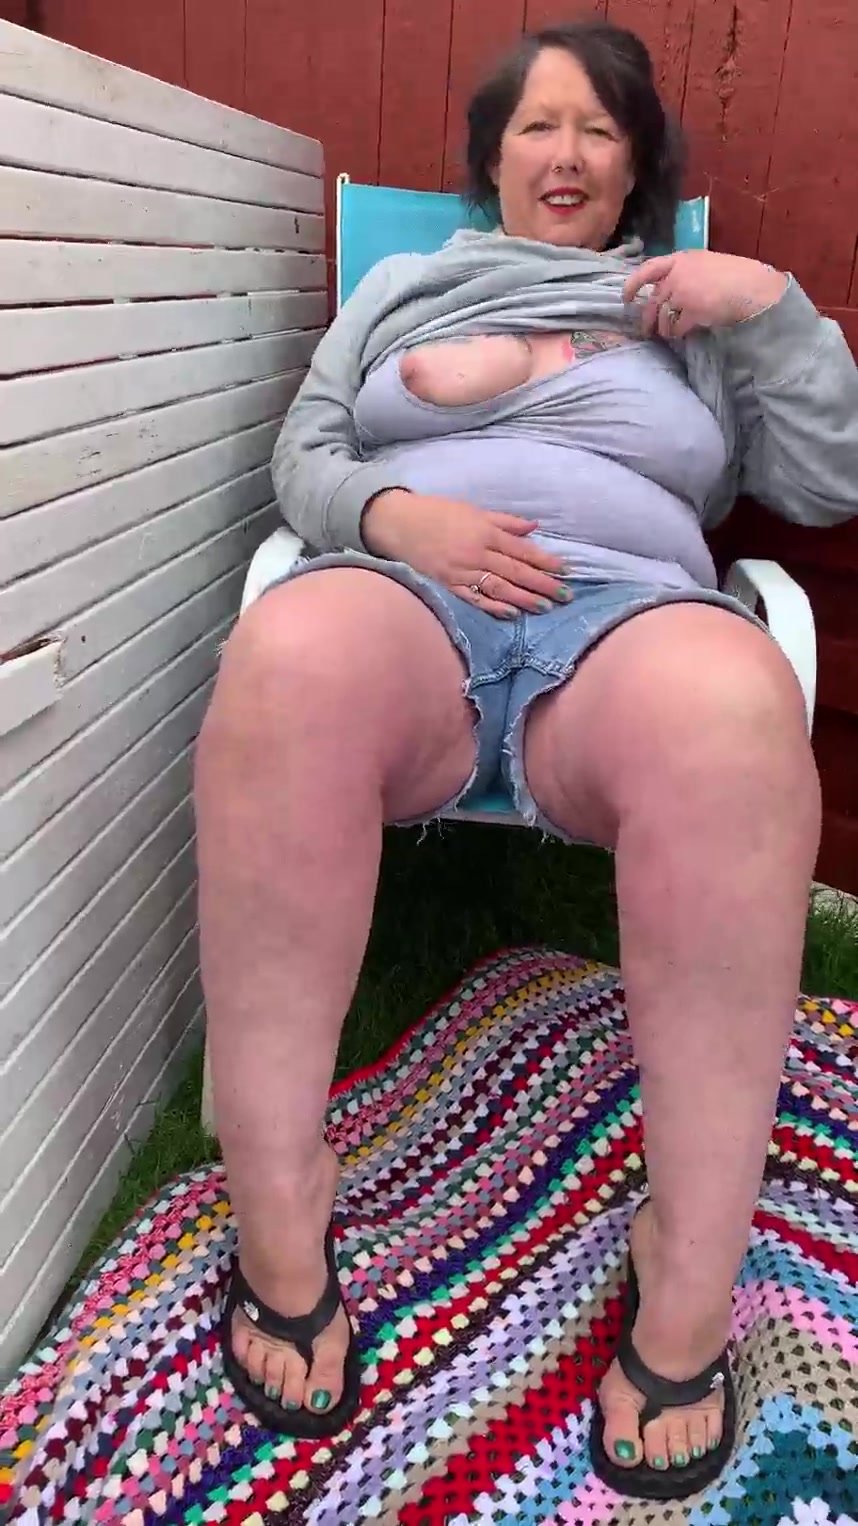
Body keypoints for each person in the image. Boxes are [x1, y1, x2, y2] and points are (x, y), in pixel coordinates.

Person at [194, 20, 858, 1502]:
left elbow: (829, 481)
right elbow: (302, 456)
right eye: (536, 127)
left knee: (734, 714)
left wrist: (770, 307)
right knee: (285, 662)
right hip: (403, 600)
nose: (565, 155)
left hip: (622, 619)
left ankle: (686, 1271)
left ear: (636, 171)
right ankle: (282, 1203)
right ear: (490, 162)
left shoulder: (690, 315)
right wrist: (393, 517)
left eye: (598, 131)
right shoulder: (404, 288)